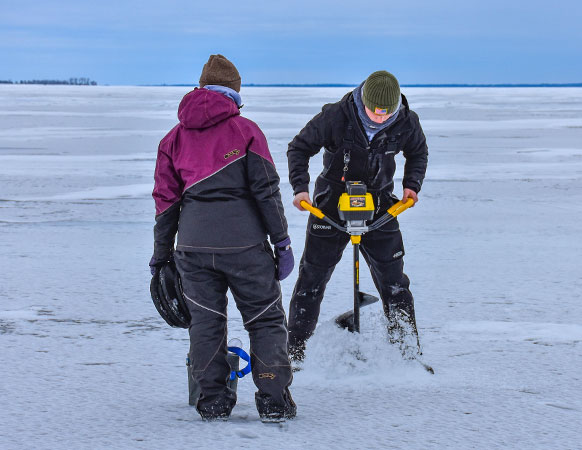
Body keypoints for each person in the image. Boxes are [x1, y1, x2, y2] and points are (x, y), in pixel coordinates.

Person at [150, 54, 296, 422]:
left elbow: (165, 204)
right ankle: (273, 399)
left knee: (206, 322)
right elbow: (267, 192)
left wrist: (161, 258)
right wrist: (282, 243)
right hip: (245, 247)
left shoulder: (173, 139)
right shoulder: (246, 131)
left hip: (193, 249)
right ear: (233, 93)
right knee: (264, 320)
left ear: (201, 90)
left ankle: (213, 400)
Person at [287, 70, 428, 362]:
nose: (378, 119)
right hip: (329, 208)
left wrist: (411, 186)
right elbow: (298, 148)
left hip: (380, 207)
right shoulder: (336, 116)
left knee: (395, 282)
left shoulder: (406, 121)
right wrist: (300, 189)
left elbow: (418, 152)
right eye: (373, 113)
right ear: (362, 99)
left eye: (385, 115)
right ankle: (295, 355)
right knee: (311, 279)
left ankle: (408, 356)